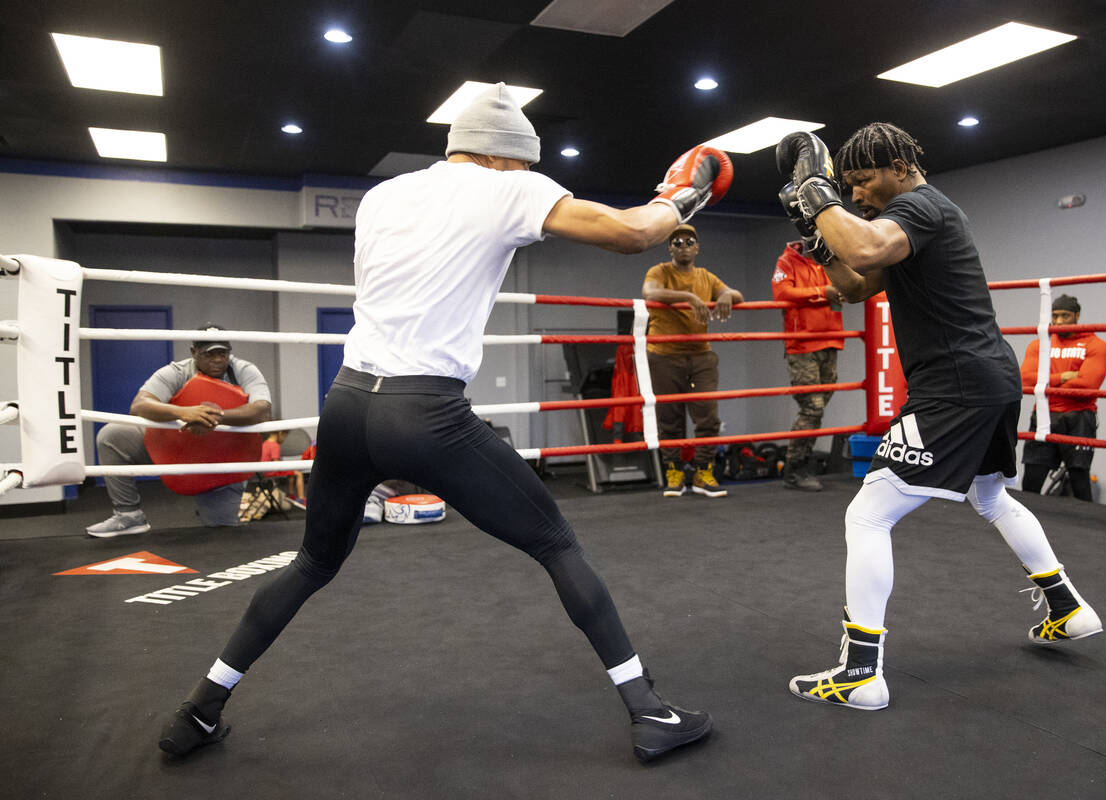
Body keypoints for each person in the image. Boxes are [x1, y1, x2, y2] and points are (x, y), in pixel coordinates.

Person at [158, 83, 730, 763]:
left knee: (314, 561)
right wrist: (679, 196)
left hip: (346, 403)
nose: (525, 178)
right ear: (501, 158)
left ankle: (198, 709)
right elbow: (635, 233)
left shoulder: (384, 196)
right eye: (522, 165)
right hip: (424, 410)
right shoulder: (506, 187)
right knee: (554, 543)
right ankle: (648, 711)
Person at [774, 122, 1102, 711]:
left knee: (868, 515)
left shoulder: (922, 206)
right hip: (986, 378)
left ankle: (861, 671)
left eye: (863, 180)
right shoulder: (907, 224)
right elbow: (856, 283)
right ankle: (1067, 609)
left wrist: (818, 196)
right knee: (991, 497)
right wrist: (814, 233)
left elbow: (866, 247)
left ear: (900, 165)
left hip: (956, 385)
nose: (857, 196)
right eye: (846, 186)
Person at [85, 325, 272, 537]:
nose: (218, 359)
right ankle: (129, 515)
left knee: (222, 536)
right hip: (175, 450)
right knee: (112, 435)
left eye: (223, 353)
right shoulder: (177, 372)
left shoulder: (243, 370)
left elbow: (262, 410)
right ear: (194, 353)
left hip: (222, 460)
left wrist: (212, 417)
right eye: (209, 354)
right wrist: (183, 412)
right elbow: (139, 406)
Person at [642, 223, 744, 498]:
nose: (683, 246)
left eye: (689, 242)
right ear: (670, 248)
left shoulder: (706, 276)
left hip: (700, 355)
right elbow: (649, 293)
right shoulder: (659, 272)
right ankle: (674, 473)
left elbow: (737, 295)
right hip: (665, 355)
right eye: (677, 242)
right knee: (669, 418)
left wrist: (723, 295)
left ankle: (703, 473)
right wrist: (688, 297)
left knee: (708, 416)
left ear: (697, 248)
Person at [1019, 294, 1106, 501]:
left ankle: (1088, 530)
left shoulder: (1095, 344)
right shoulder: (1040, 344)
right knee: (1031, 480)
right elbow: (1025, 379)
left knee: (1079, 480)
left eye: (1065, 316)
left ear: (1077, 316)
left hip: (1078, 418)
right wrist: (1063, 377)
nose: (1059, 321)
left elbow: (1087, 385)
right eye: (1055, 316)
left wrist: (1046, 382)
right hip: (1043, 415)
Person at [771, 239, 845, 491]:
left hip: (830, 341)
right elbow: (781, 293)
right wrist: (823, 293)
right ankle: (796, 468)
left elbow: (848, 285)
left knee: (819, 407)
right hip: (803, 346)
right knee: (812, 409)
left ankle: (800, 464)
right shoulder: (787, 261)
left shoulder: (831, 259)